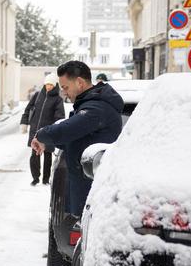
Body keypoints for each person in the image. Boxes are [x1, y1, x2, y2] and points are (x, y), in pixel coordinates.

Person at [31, 61, 122, 219]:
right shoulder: (89, 104)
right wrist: (47, 141)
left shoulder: (96, 108)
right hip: (85, 195)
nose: (64, 93)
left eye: (65, 87)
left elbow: (67, 129)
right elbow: (75, 138)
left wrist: (41, 135)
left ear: (80, 82)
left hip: (94, 198)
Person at [21, 73, 65, 186]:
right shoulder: (37, 96)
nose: (48, 87)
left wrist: (56, 130)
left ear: (55, 85)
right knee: (34, 155)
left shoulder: (58, 100)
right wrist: (24, 122)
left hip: (48, 132)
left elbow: (59, 116)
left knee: (47, 155)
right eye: (47, 84)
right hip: (35, 131)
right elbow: (28, 109)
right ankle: (35, 178)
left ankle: (45, 179)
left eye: (51, 85)